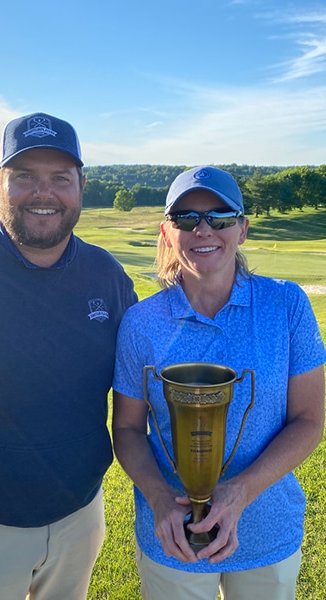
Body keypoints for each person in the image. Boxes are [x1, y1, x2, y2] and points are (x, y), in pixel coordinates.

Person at [0, 112, 137, 599]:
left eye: (60, 178)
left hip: (80, 515)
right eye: (25, 177)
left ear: (81, 185)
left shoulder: (106, 276)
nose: (44, 193)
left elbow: (137, 383)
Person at [112, 165, 325, 600]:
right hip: (171, 537)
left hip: (267, 532)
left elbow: (308, 420)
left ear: (242, 229)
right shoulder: (141, 323)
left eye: (220, 217)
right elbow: (128, 429)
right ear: (168, 232)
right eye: (186, 218)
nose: (203, 229)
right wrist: (156, 498)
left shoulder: (287, 306)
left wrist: (239, 493)